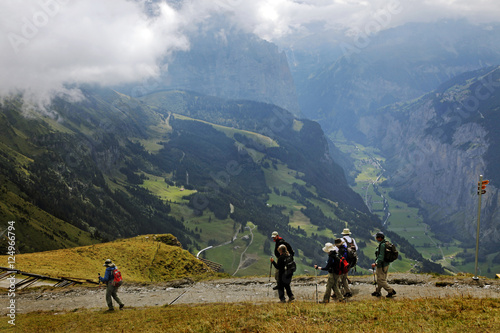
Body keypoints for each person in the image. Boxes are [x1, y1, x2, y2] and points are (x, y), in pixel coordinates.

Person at [371, 232, 396, 298]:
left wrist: (376, 263)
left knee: (381, 280)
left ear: (379, 238)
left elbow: (381, 256)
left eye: (377, 237)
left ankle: (391, 291)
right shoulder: (386, 243)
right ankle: (377, 291)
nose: (376, 239)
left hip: (381, 265)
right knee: (382, 279)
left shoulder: (382, 245)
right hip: (386, 264)